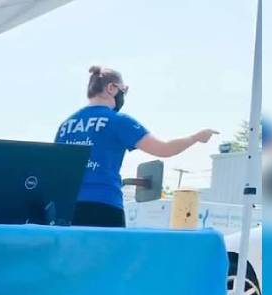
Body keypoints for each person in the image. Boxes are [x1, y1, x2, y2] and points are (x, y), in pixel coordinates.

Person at [55, 66, 217, 227]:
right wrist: (196, 137)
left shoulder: (65, 126)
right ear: (111, 88)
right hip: (104, 205)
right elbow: (164, 149)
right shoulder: (118, 121)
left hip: (67, 210)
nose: (123, 96)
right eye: (123, 90)